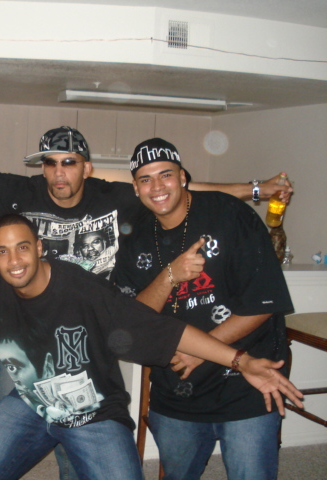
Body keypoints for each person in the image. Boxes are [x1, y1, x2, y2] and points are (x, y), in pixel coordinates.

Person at [0, 214, 304, 480]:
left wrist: (242, 360)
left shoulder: (82, 289)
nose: (14, 260)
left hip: (93, 415)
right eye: (2, 251)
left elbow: (163, 330)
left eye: (22, 247)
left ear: (39, 247)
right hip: (28, 406)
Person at [114, 138, 294, 480]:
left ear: (183, 177)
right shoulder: (135, 237)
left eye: (166, 175)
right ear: (136, 188)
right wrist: (169, 275)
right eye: (145, 179)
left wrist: (200, 351)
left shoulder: (230, 215)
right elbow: (130, 322)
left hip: (247, 383)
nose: (157, 187)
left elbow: (264, 303)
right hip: (176, 393)